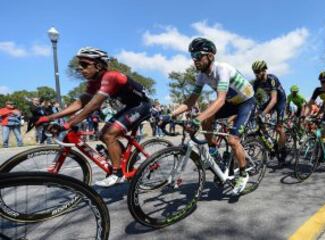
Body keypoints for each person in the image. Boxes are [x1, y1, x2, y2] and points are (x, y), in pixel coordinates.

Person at [36, 47, 151, 187]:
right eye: (80, 65)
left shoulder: (111, 76)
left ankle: (118, 173)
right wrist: (50, 118)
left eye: (84, 65)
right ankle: (125, 159)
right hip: (129, 106)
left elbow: (94, 105)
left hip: (141, 106)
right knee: (103, 135)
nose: (80, 68)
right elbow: (80, 103)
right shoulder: (93, 82)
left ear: (98, 65)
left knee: (110, 136)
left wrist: (69, 123)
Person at [169, 38, 256, 195]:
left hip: (246, 101)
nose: (194, 60)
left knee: (232, 140)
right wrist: (170, 114)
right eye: (192, 56)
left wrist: (196, 119)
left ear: (210, 56)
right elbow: (191, 101)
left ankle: (243, 173)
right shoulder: (202, 76)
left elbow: (220, 99)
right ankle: (215, 153)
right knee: (207, 119)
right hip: (231, 102)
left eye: (197, 55)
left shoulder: (222, 69)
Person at [251, 60, 287, 165]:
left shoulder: (272, 79)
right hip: (270, 101)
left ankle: (282, 149)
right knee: (259, 121)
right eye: (255, 72)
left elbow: (274, 100)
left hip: (280, 101)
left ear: (264, 70)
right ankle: (270, 143)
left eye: (258, 71)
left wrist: (263, 113)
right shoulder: (256, 82)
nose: (257, 74)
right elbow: (253, 99)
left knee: (279, 128)